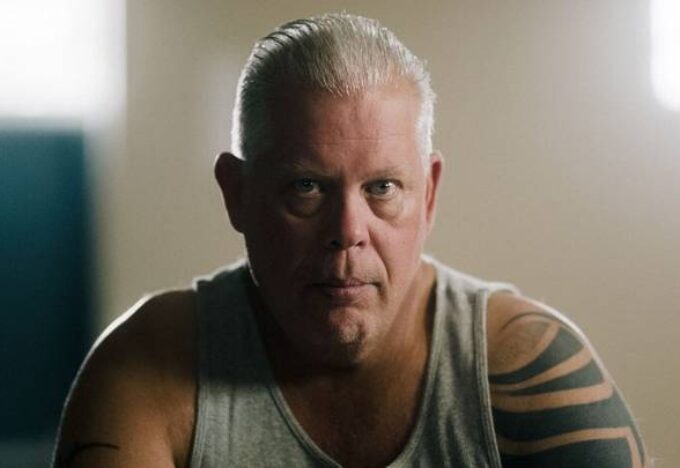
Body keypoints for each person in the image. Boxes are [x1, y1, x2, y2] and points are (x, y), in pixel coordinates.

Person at [53, 13, 649, 468]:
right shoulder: (146, 369)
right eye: (307, 187)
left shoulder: (526, 367)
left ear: (429, 195)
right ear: (237, 193)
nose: (347, 233)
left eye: (382, 188)